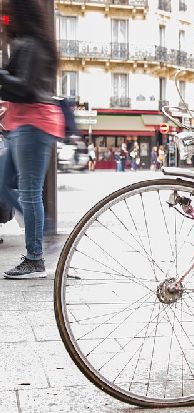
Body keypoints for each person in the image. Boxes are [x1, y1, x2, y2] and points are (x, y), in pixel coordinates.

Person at [0, 0, 65, 278]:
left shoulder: (33, 45)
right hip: (22, 123)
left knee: (29, 192)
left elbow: (25, 88)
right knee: (3, 184)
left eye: (7, 15)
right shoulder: (26, 43)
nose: (4, 20)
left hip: (34, 124)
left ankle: (35, 258)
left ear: (19, 14)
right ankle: (43, 230)